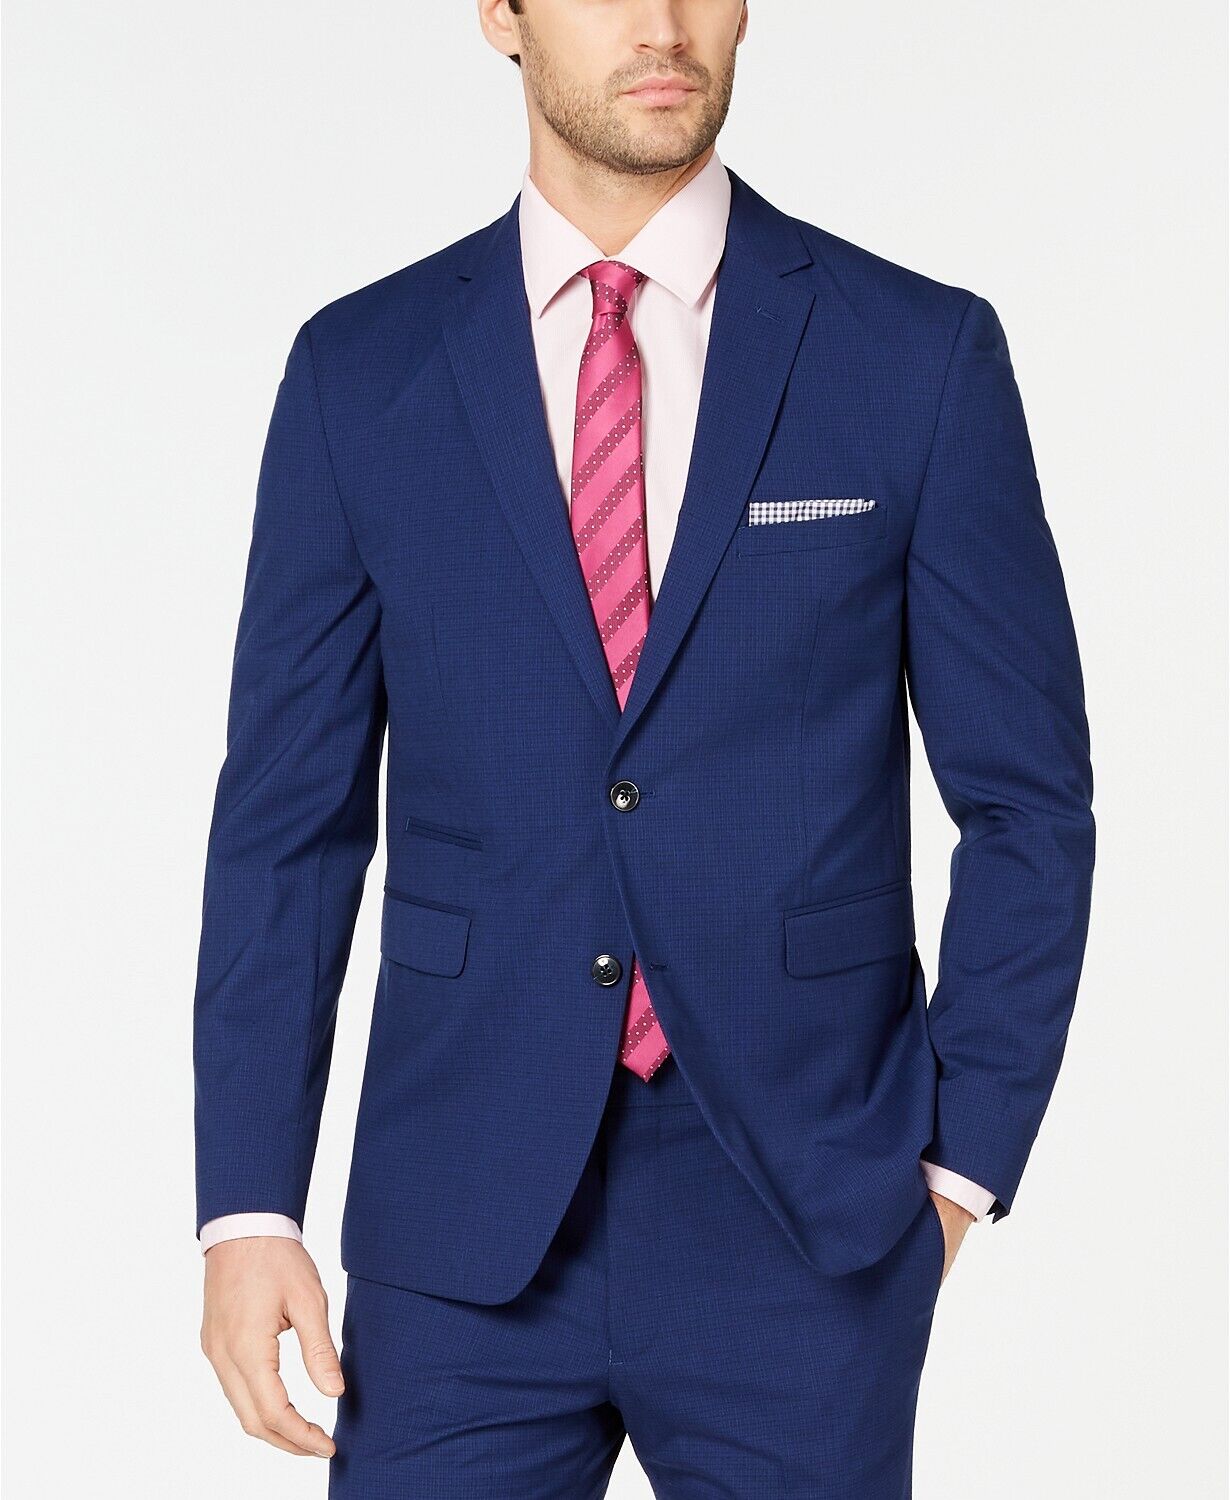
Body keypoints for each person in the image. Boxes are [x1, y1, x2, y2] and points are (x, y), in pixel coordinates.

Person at [194, 3, 1096, 1494]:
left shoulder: (914, 354)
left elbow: (1029, 805)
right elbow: (287, 823)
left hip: (806, 1213)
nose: (663, 24)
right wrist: (247, 1206)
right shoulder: (362, 371)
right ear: (501, 12)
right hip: (461, 1206)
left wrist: (957, 1168)